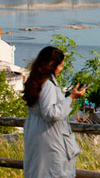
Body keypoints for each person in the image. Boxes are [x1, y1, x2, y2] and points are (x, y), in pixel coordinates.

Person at [22, 46, 86, 178]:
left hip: (38, 135)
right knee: (53, 172)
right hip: (50, 138)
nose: (61, 69)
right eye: (60, 65)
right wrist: (71, 98)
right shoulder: (48, 85)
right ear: (52, 65)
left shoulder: (36, 81)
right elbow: (51, 113)